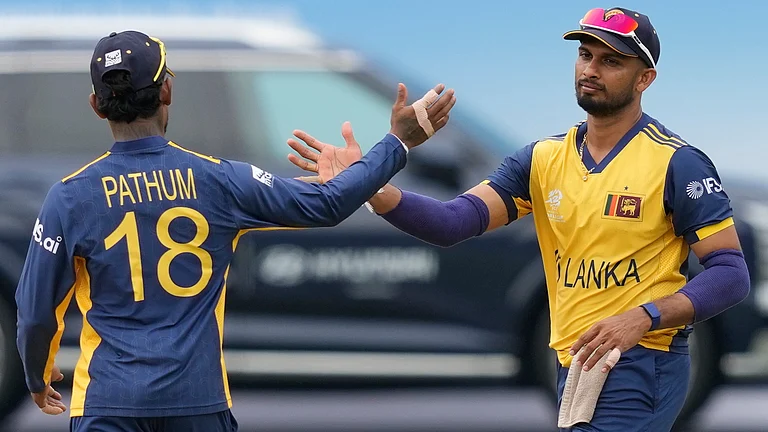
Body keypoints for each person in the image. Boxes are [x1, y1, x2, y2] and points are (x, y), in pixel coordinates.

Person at [286, 7, 751, 431]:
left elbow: (731, 275)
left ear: (645, 78)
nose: (590, 69)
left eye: (611, 61)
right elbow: (453, 223)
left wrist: (643, 317)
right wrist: (368, 184)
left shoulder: (678, 162)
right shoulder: (543, 158)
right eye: (586, 55)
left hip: (641, 360)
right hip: (574, 361)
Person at [14, 30, 455, 432]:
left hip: (108, 404)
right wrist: (397, 142)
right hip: (198, 404)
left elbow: (36, 311)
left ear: (96, 105)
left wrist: (37, 374)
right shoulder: (220, 181)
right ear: (167, 89)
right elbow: (328, 204)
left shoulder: (69, 198)